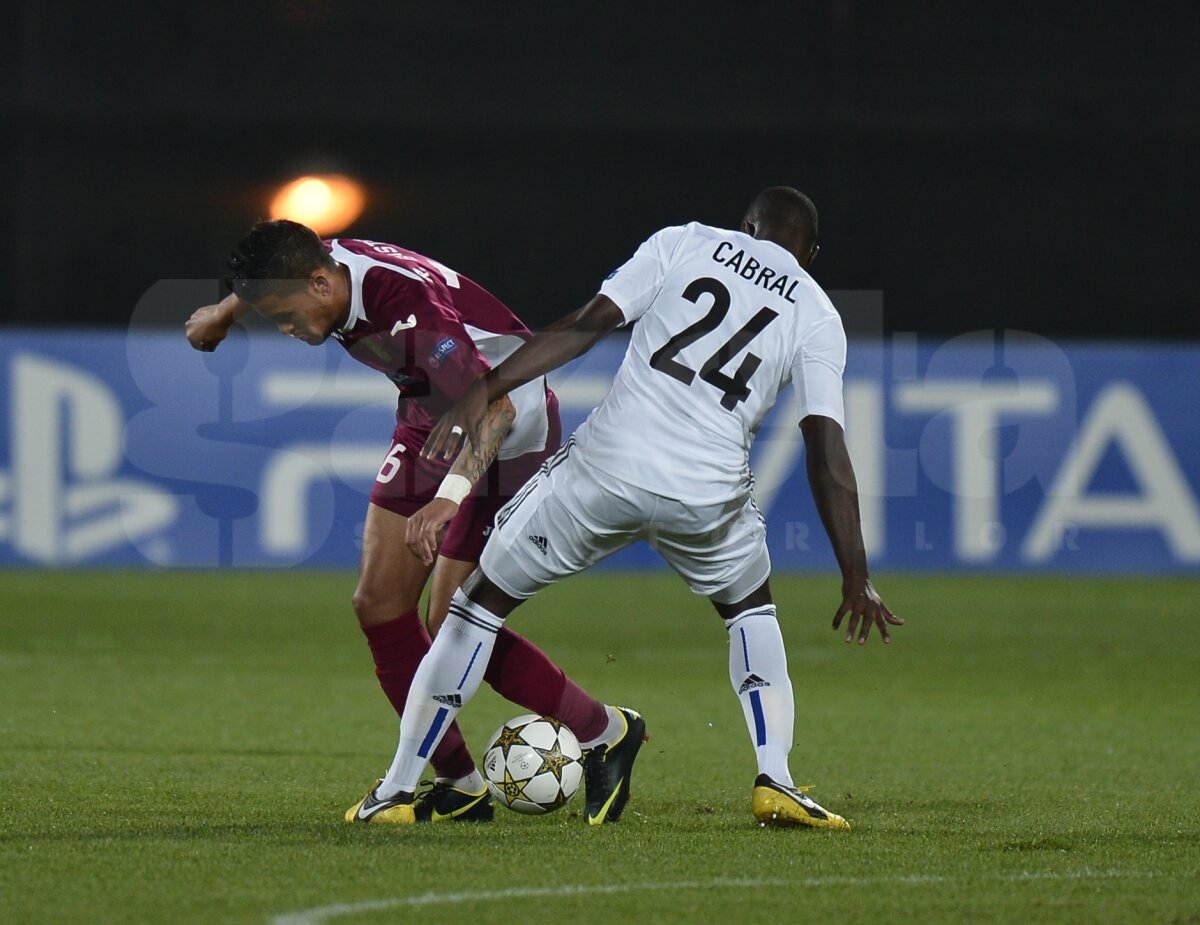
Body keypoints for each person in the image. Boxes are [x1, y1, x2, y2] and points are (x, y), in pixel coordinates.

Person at [389, 186, 903, 829]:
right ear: (812, 253)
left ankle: (398, 791)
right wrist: (855, 571)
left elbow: (588, 323)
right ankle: (777, 778)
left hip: (605, 473)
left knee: (473, 606)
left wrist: (487, 388)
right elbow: (826, 446)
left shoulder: (683, 241)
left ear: (745, 226)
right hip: (708, 497)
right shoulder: (818, 313)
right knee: (750, 608)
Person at [184, 220, 643, 825]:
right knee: (378, 603)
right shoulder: (320, 266)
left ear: (321, 285)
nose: (285, 328)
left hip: (507, 428)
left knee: (452, 612)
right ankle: (459, 781)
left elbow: (494, 406)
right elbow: (286, 259)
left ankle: (603, 729)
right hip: (432, 413)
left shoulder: (411, 316)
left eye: (283, 315)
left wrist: (449, 499)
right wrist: (224, 309)